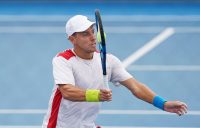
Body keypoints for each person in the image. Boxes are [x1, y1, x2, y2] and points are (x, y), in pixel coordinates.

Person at [42, 15, 188, 128]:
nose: (93, 37)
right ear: (72, 39)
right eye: (85, 34)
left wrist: (162, 104)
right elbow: (67, 91)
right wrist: (96, 95)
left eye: (93, 32)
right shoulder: (63, 60)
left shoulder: (109, 61)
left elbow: (135, 86)